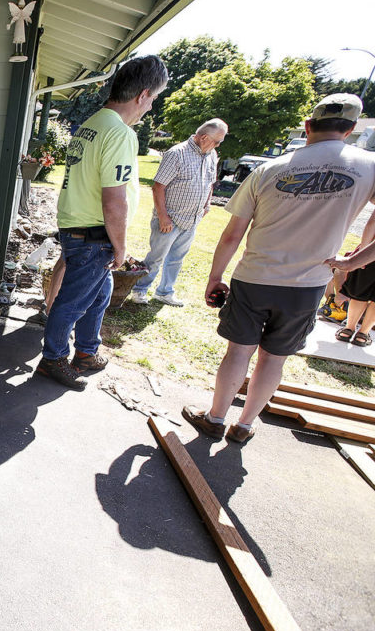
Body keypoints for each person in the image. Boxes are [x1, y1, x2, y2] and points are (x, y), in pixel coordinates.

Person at [183, 93, 375, 444]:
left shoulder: (269, 168)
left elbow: (231, 236)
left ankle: (215, 418)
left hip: (255, 277)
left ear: (308, 126)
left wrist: (215, 277)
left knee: (238, 351)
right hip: (308, 283)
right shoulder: (368, 166)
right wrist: (354, 262)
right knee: (274, 358)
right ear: (349, 130)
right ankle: (243, 426)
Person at [36, 55, 169, 390]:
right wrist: (121, 249)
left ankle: (87, 352)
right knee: (72, 301)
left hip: (77, 226)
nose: (150, 108)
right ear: (142, 95)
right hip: (94, 234)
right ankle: (52, 359)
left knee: (100, 294)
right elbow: (114, 200)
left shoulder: (92, 124)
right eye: (153, 99)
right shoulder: (120, 134)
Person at [131, 119, 228, 306]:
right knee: (156, 257)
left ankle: (165, 292)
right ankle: (139, 290)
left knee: (176, 258)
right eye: (217, 141)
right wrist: (163, 217)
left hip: (192, 219)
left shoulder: (211, 154)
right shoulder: (177, 153)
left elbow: (210, 183)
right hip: (170, 219)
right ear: (204, 137)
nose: (218, 145)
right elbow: (158, 186)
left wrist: (206, 206)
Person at [335, 214, 375, 346]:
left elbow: (372, 224)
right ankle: (362, 335)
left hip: (371, 252)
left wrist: (362, 254)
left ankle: (348, 329)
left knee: (360, 293)